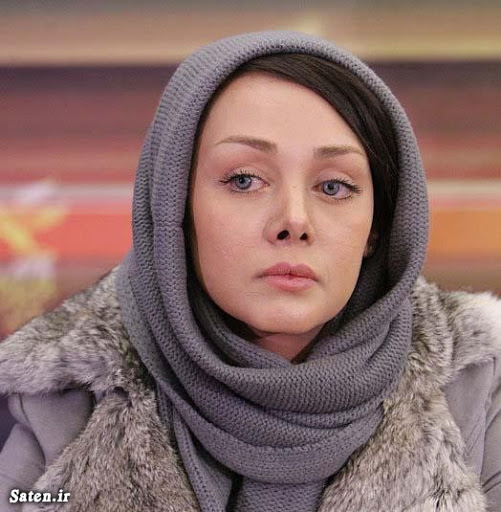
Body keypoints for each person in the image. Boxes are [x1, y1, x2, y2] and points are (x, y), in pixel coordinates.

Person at [0, 30, 499, 512]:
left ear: (377, 226)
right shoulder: (64, 398)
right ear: (175, 206)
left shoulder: (473, 386)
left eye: (334, 187)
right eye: (244, 180)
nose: (294, 221)